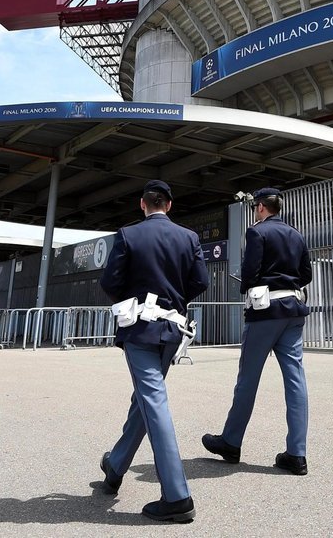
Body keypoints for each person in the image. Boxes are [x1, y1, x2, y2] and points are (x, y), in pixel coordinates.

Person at [98, 179, 209, 523]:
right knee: (147, 399)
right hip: (173, 331)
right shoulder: (188, 237)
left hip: (141, 330)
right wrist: (174, 301)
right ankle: (116, 464)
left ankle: (177, 496)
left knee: (153, 402)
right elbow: (200, 281)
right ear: (169, 205)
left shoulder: (129, 235)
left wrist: (132, 302)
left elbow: (109, 281)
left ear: (142, 204)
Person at [202, 187, 313, 475]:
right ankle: (296, 453)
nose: (254, 211)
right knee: (295, 380)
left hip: (265, 313)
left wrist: (249, 284)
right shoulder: (296, 234)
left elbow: (250, 272)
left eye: (255, 207)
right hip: (293, 310)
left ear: (261, 207)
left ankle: (231, 441)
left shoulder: (257, 233)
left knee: (248, 379)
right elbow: (307, 275)